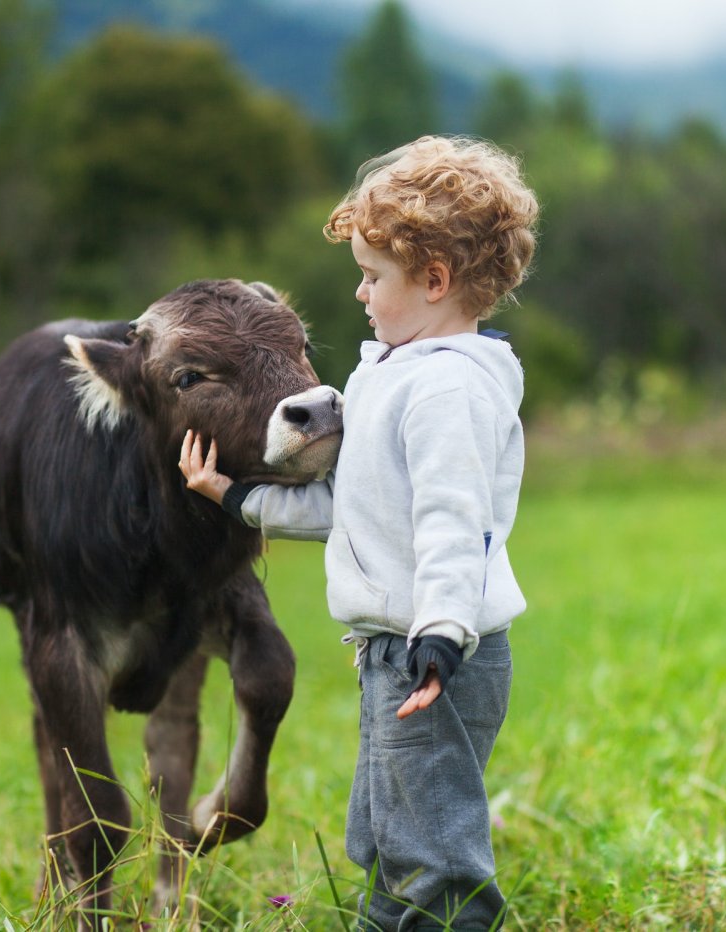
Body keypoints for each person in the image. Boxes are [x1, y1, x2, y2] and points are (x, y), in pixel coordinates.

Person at [179, 135, 539, 930]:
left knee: (432, 848)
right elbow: (355, 507)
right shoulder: (395, 375)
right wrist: (237, 498)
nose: (360, 293)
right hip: (394, 648)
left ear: (434, 281)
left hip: (434, 652)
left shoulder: (447, 390)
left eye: (373, 277)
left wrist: (441, 631)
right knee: (383, 829)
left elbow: (454, 522)